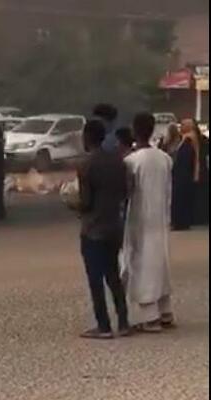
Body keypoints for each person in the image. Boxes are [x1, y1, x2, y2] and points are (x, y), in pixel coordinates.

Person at [76, 119, 130, 339]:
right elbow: (125, 192)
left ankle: (104, 325)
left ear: (88, 138)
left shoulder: (86, 165)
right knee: (113, 276)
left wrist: (73, 204)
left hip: (93, 228)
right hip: (114, 225)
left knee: (95, 280)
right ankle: (124, 321)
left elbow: (85, 202)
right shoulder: (118, 161)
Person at [122, 112, 175, 333]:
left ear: (134, 131)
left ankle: (150, 316)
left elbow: (126, 192)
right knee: (160, 262)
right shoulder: (165, 158)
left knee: (141, 264)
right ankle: (165, 311)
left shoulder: (131, 161)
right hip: (161, 217)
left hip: (139, 219)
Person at [171, 119, 200, 231]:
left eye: (183, 125)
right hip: (185, 174)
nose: (180, 127)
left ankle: (180, 222)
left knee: (181, 198)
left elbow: (186, 158)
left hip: (183, 174)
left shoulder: (188, 140)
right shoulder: (188, 138)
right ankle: (183, 222)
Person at [193, 122, 209, 226]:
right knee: (203, 196)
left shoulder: (193, 142)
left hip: (199, 171)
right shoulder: (205, 141)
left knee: (198, 196)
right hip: (204, 172)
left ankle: (198, 217)